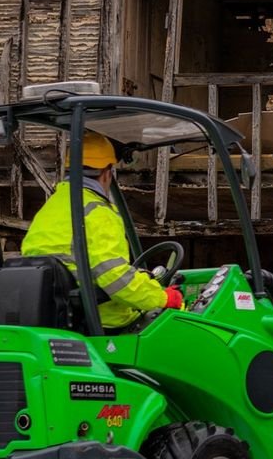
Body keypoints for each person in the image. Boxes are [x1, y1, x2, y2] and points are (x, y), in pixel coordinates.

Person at [21, 131, 182, 329]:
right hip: (102, 321)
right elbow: (116, 278)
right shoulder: (98, 212)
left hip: (62, 315)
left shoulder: (52, 207)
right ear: (106, 173)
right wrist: (163, 298)